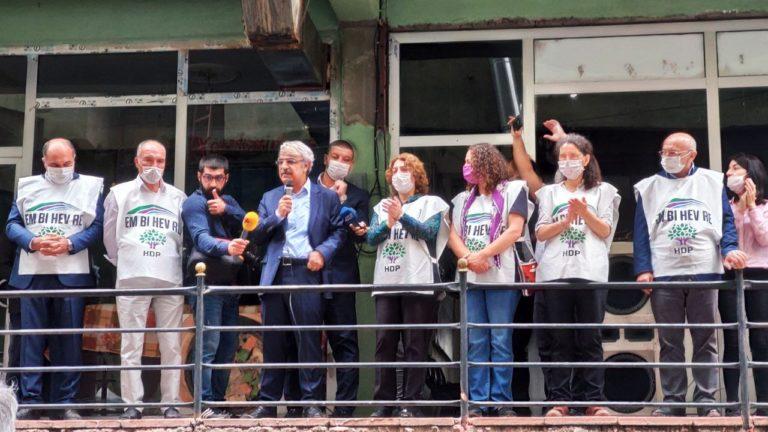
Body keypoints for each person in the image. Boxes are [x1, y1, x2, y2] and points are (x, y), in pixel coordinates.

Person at [634, 132, 747, 417]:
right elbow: (641, 232)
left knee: (706, 339)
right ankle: (673, 401)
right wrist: (643, 269)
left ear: (692, 155)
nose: (667, 157)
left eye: (674, 152)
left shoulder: (712, 182)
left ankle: (707, 401)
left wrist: (729, 250)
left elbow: (726, 223)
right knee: (669, 340)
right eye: (664, 151)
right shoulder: (648, 187)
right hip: (664, 273)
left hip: (704, 271)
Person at [6, 138, 104, 420]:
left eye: (66, 163)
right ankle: (30, 401)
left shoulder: (90, 187)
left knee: (68, 342)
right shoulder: (27, 186)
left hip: (71, 274)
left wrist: (70, 244)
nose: (61, 168)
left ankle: (65, 403)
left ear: (75, 160)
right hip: (32, 274)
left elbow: (98, 226)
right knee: (30, 341)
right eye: (54, 164)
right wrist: (33, 241)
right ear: (43, 162)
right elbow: (12, 224)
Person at [246, 141, 345, 419]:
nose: (284, 167)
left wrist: (322, 253)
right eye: (280, 161)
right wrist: (278, 215)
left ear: (307, 165)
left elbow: (338, 232)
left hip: (307, 271)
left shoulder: (327, 197)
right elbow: (257, 235)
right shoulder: (270, 197)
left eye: (291, 161)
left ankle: (311, 403)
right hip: (276, 273)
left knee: (308, 339)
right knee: (274, 341)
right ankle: (267, 403)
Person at [534, 134, 620, 417]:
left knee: (590, 338)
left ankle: (593, 400)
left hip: (590, 273)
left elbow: (605, 230)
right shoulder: (549, 193)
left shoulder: (604, 191)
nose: (568, 162)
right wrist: (566, 221)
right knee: (559, 340)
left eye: (573, 156)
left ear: (586, 159)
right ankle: (559, 400)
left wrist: (585, 213)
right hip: (555, 273)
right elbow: (540, 232)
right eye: (563, 157)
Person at [283, 140, 369, 417]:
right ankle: (308, 407)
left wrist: (342, 201)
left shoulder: (357, 195)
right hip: (305, 275)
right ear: (324, 158)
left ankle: (344, 410)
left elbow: (362, 234)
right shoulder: (303, 189)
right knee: (304, 340)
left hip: (340, 277)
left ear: (352, 165)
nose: (340, 162)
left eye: (346, 159)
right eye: (336, 156)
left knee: (344, 342)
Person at [103, 140, 186, 419]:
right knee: (131, 344)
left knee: (171, 344)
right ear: (137, 161)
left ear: (166, 163)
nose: (154, 166)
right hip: (132, 277)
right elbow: (109, 238)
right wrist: (128, 261)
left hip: (169, 277)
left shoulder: (179, 197)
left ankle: (171, 403)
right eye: (148, 160)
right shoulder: (119, 193)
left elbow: (182, 238)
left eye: (159, 161)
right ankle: (132, 405)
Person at [448, 143, 529, 417]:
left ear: (486, 163)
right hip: (471, 279)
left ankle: (502, 402)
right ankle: (478, 403)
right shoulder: (461, 199)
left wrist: (484, 254)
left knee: (500, 340)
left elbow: (515, 230)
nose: (466, 167)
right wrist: (470, 258)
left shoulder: (513, 190)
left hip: (502, 278)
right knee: (476, 341)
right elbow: (452, 235)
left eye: (470, 161)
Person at [367, 152, 449, 418]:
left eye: (405, 169)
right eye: (395, 170)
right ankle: (384, 403)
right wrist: (388, 222)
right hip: (386, 283)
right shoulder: (381, 207)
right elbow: (371, 238)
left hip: (418, 282)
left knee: (415, 345)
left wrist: (402, 216)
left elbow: (428, 232)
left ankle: (411, 403)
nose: (399, 174)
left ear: (417, 175)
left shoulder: (431, 203)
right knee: (385, 344)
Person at [182, 154, 249, 418]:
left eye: (218, 177)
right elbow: (201, 239)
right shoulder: (194, 202)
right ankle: (205, 403)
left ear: (226, 178)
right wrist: (228, 246)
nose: (213, 182)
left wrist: (226, 210)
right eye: (208, 177)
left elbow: (251, 225)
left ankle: (218, 402)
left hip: (230, 285)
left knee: (227, 346)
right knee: (208, 345)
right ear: (199, 176)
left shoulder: (228, 201)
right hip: (206, 285)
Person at [721, 153, 768, 416]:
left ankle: (763, 404)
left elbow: (764, 239)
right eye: (728, 169)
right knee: (732, 339)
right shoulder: (726, 206)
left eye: (735, 169)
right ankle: (731, 405)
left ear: (751, 174)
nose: (729, 173)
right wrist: (739, 209)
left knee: (761, 339)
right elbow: (724, 238)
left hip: (760, 275)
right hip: (731, 275)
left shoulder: (765, 207)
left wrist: (751, 207)